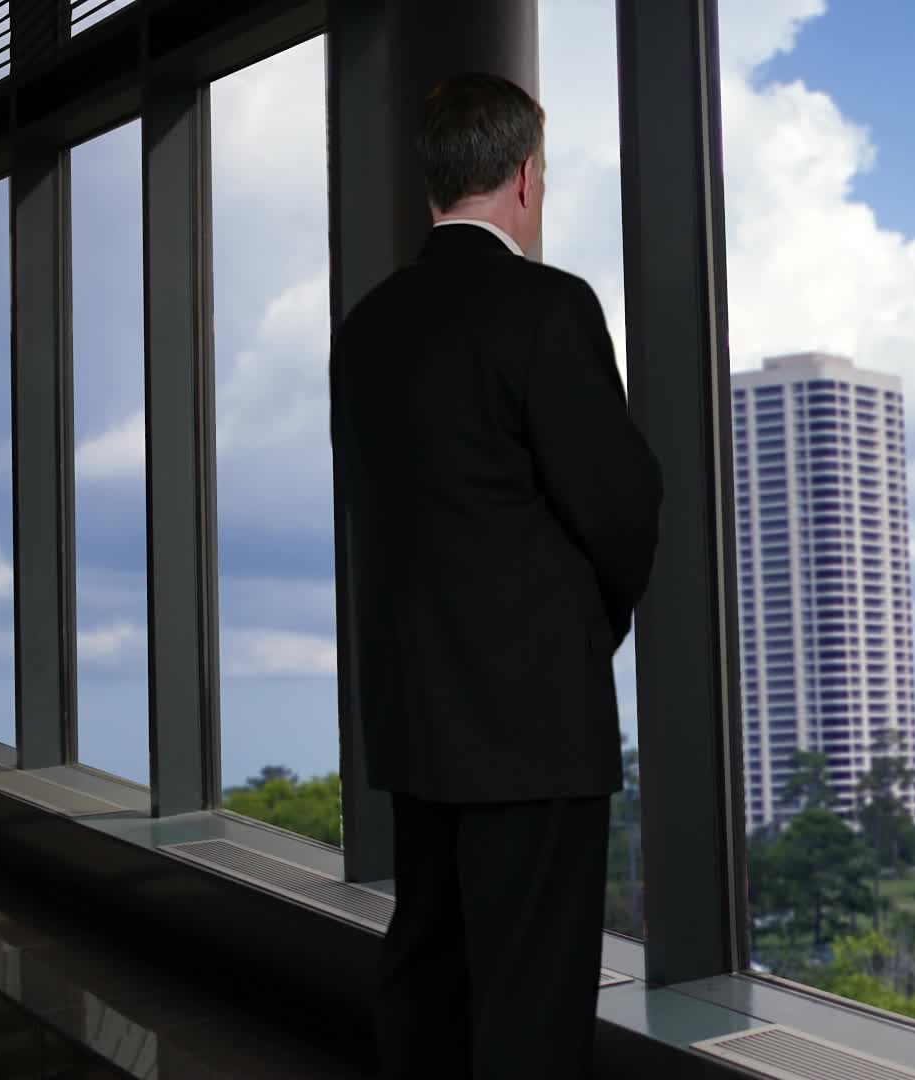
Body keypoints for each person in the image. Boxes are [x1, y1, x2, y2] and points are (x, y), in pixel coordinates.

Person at [327, 72, 663, 1079]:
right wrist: (575, 635)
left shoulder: (368, 327)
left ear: (433, 184)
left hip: (417, 714)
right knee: (529, 1003)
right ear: (526, 179)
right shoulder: (547, 307)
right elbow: (622, 507)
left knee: (428, 975)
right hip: (533, 728)